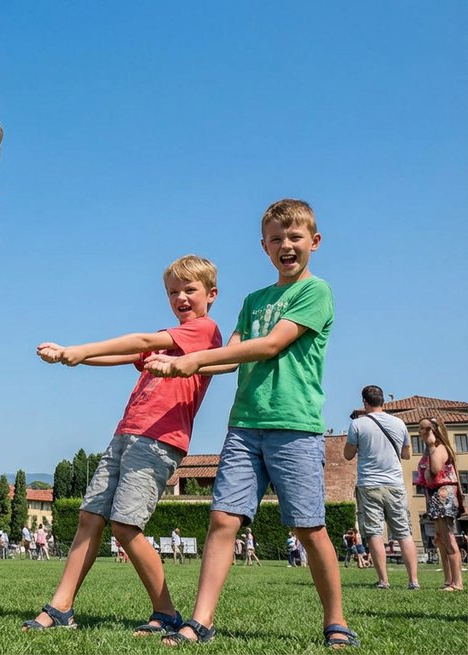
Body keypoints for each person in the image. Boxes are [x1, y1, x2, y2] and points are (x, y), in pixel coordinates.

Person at [148, 199, 356, 648]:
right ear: (263, 246)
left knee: (308, 525)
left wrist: (195, 359)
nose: (286, 245)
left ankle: (335, 620)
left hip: (294, 425)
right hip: (244, 425)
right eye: (276, 239)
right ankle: (201, 620)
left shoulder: (315, 292)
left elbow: (270, 346)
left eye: (295, 237)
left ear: (314, 242)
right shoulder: (252, 301)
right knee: (222, 519)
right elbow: (231, 358)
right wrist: (181, 362)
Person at [23, 255, 222, 635]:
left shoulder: (203, 331)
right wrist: (74, 357)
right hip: (127, 432)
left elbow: (144, 340)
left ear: (211, 294)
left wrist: (81, 349)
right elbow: (129, 354)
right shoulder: (172, 338)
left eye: (189, 290)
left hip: (159, 439)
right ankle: (61, 607)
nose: (181, 298)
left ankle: (166, 611)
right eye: (173, 292)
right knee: (90, 516)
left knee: (125, 524)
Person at [343, 384, 420, 589]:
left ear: (364, 402)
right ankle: (413, 581)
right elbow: (407, 455)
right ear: (383, 400)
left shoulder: (358, 425)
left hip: (369, 484)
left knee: (375, 533)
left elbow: (348, 455)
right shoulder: (399, 423)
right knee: (404, 532)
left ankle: (384, 580)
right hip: (394, 483)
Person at [416, 417, 462, 591]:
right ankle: (448, 580)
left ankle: (457, 582)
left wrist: (431, 445)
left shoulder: (439, 449)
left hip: (444, 495)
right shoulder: (430, 451)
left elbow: (435, 469)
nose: (420, 432)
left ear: (433, 431)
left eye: (423, 429)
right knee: (441, 539)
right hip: (435, 495)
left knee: (448, 538)